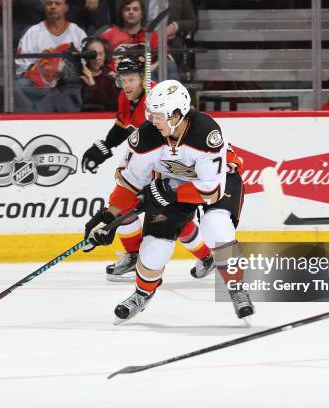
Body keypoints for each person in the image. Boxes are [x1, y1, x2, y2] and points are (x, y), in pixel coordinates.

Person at [83, 80, 254, 322]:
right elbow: (130, 184)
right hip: (172, 182)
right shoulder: (145, 137)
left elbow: (210, 191)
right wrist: (108, 217)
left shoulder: (206, 134)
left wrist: (170, 194)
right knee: (154, 247)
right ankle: (142, 294)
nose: (152, 120)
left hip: (219, 180)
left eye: (158, 115)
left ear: (176, 114)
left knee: (216, 228)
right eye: (151, 114)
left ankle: (237, 290)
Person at [81, 57, 214, 280]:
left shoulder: (155, 106)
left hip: (170, 168)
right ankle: (137, 255)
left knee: (171, 218)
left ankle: (211, 258)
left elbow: (167, 142)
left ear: (144, 79)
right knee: (133, 207)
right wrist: (106, 145)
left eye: (132, 79)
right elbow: (124, 126)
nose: (127, 85)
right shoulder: (126, 97)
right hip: (149, 163)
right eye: (123, 80)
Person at [15, 0, 87, 76]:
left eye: (57, 3)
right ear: (44, 8)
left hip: (71, 84)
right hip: (39, 84)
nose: (53, 6)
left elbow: (85, 63)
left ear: (66, 8)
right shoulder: (32, 33)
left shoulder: (78, 33)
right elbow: (23, 65)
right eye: (49, 4)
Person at [80, 36, 119, 111]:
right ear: (86, 55)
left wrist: (92, 85)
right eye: (93, 54)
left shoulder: (110, 77)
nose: (97, 58)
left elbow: (111, 106)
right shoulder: (78, 76)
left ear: (105, 55)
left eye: (100, 54)